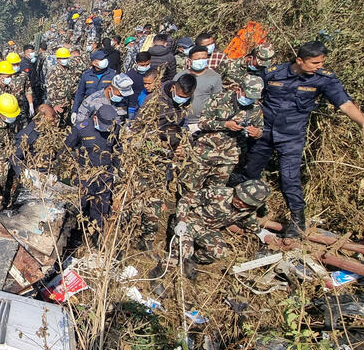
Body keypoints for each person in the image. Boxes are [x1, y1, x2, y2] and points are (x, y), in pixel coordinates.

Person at [237, 41, 364, 236]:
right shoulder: (273, 73)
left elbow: (345, 103)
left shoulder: (323, 79)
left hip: (291, 137)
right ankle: (248, 210)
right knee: (250, 171)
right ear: (300, 60)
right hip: (263, 133)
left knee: (289, 178)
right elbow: (251, 95)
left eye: (321, 62)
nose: (319, 66)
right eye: (315, 62)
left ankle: (297, 222)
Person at [129, 73, 197, 249]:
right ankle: (128, 232)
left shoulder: (185, 102)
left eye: (186, 98)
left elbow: (183, 125)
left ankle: (148, 238)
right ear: (174, 88)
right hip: (145, 155)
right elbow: (138, 128)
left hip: (164, 158)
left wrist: (182, 144)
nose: (182, 100)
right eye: (180, 96)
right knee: (137, 195)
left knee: (156, 197)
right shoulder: (154, 100)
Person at [179, 75, 263, 196]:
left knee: (216, 193)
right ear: (239, 90)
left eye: (253, 98)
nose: (250, 100)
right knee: (190, 188)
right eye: (247, 96)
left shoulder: (255, 109)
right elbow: (202, 123)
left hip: (228, 157)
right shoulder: (218, 99)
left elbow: (260, 129)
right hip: (204, 152)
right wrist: (225, 124)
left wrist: (257, 133)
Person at [174, 180, 270, 277]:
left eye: (245, 202)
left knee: (219, 252)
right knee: (184, 252)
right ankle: (180, 261)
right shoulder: (218, 193)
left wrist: (259, 232)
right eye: (239, 197)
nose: (240, 202)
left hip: (211, 230)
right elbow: (186, 200)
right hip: (190, 222)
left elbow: (250, 221)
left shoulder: (250, 209)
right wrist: (181, 221)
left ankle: (192, 260)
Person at [65, 104, 120, 231]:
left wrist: (118, 172)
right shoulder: (82, 128)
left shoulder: (115, 128)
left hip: (105, 176)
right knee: (79, 208)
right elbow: (66, 148)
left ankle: (96, 239)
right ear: (95, 117)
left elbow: (117, 150)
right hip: (85, 176)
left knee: (100, 211)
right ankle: (76, 236)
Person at [177, 45, 223, 130]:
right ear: (190, 60)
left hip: (201, 123)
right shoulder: (180, 76)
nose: (201, 61)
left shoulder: (215, 77)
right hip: (181, 121)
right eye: (198, 59)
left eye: (203, 58)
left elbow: (218, 100)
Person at [72, 49, 117, 115]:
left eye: (105, 58)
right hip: (90, 110)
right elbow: (79, 94)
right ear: (94, 62)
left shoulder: (112, 74)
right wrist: (74, 111)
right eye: (101, 59)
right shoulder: (86, 75)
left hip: (106, 110)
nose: (105, 60)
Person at [43, 47, 77, 127]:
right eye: (63, 58)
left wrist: (73, 98)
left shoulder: (69, 70)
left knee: (65, 124)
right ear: (58, 59)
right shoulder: (53, 71)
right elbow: (50, 89)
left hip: (67, 103)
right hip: (57, 103)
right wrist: (54, 104)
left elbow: (72, 85)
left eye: (66, 58)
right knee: (55, 124)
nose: (65, 60)